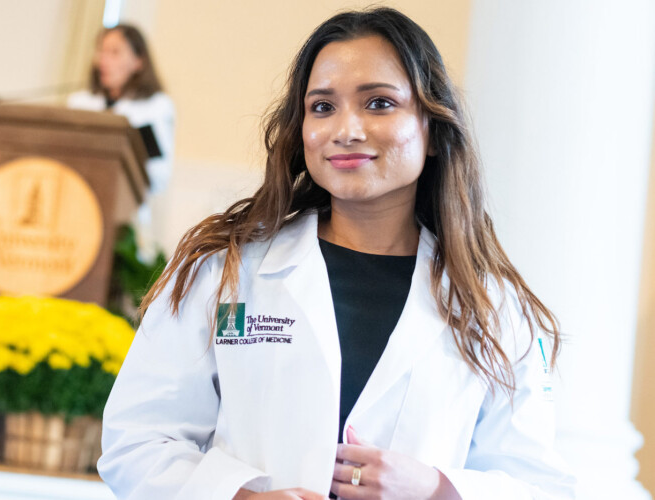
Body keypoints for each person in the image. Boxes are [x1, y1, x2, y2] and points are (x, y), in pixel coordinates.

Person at [97, 8, 576, 500]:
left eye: (379, 103)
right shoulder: (226, 270)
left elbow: (540, 486)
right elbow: (136, 441)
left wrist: (438, 489)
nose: (346, 129)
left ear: (431, 128)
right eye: (323, 107)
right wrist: (241, 498)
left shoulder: (494, 305)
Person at [68, 24, 175, 259]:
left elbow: (159, 175)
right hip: (74, 211)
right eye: (101, 51)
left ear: (138, 62)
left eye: (114, 52)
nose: (103, 60)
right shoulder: (80, 104)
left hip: (126, 220)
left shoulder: (153, 108)